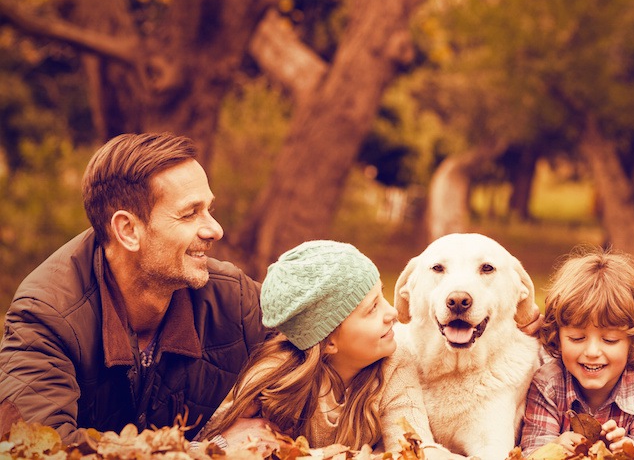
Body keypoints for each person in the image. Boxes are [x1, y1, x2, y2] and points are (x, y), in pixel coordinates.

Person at [0, 133, 269, 443]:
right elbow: (38, 451)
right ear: (128, 230)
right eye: (190, 213)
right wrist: (212, 449)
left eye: (209, 209)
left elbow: (317, 339)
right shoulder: (45, 317)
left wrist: (268, 383)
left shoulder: (231, 298)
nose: (215, 230)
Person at [199, 240, 461, 458]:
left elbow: (410, 447)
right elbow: (209, 443)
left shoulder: (395, 365)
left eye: (382, 296)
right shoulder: (274, 381)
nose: (392, 312)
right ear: (328, 341)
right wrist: (226, 443)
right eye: (372, 308)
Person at [519, 247, 634, 457]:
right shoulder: (548, 384)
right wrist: (556, 448)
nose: (591, 352)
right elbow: (532, 453)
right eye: (577, 338)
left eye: (610, 340)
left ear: (633, 341)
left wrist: (627, 452)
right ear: (558, 337)